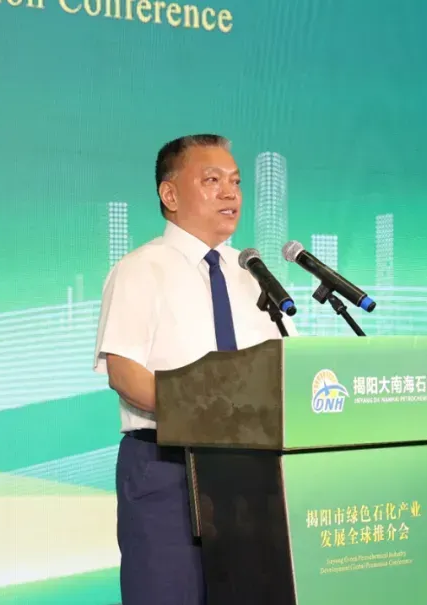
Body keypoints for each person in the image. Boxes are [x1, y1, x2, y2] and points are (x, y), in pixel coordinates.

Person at [92, 134, 298, 605]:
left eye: (236, 182)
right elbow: (124, 374)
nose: (230, 193)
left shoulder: (253, 275)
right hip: (168, 468)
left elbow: (289, 367)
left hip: (252, 474)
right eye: (212, 180)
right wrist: (208, 420)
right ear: (170, 194)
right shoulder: (141, 269)